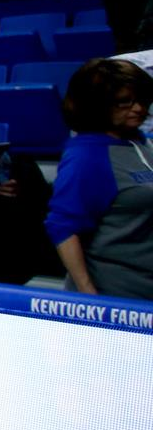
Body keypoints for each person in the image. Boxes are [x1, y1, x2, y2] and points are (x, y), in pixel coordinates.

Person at [47, 58, 153, 298]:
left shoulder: (141, 142)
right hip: (118, 297)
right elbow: (63, 227)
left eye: (143, 100)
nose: (139, 108)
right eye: (125, 102)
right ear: (98, 104)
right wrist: (88, 295)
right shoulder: (87, 156)